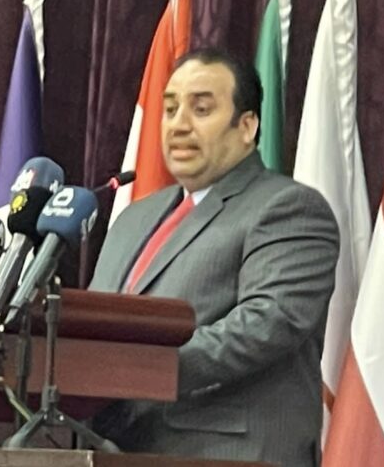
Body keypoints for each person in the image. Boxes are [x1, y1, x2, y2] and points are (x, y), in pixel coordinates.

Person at [90, 47, 340, 467]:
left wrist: (140, 368)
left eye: (201, 109)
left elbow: (267, 323)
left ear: (246, 126)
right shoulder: (134, 219)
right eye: (170, 109)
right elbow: (92, 324)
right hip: (114, 449)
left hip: (229, 453)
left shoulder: (289, 209)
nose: (179, 124)